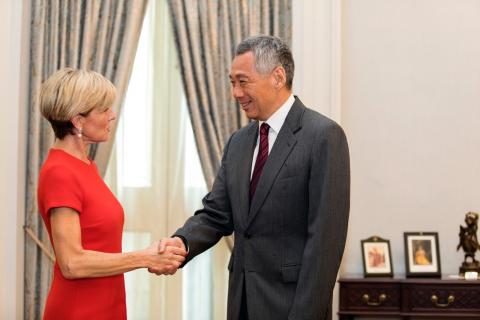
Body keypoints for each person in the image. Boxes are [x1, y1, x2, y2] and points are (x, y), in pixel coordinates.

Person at [155, 35, 350, 319]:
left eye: (243, 81)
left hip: (291, 307)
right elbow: (216, 214)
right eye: (232, 82)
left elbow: (325, 244)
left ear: (278, 76)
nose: (235, 92)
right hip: (241, 302)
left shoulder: (323, 136)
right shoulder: (239, 142)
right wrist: (181, 243)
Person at [37, 68, 187, 320]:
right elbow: (72, 263)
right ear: (78, 121)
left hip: (107, 304)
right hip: (79, 310)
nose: (112, 115)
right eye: (104, 109)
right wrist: (145, 257)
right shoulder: (60, 172)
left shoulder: (85, 165)